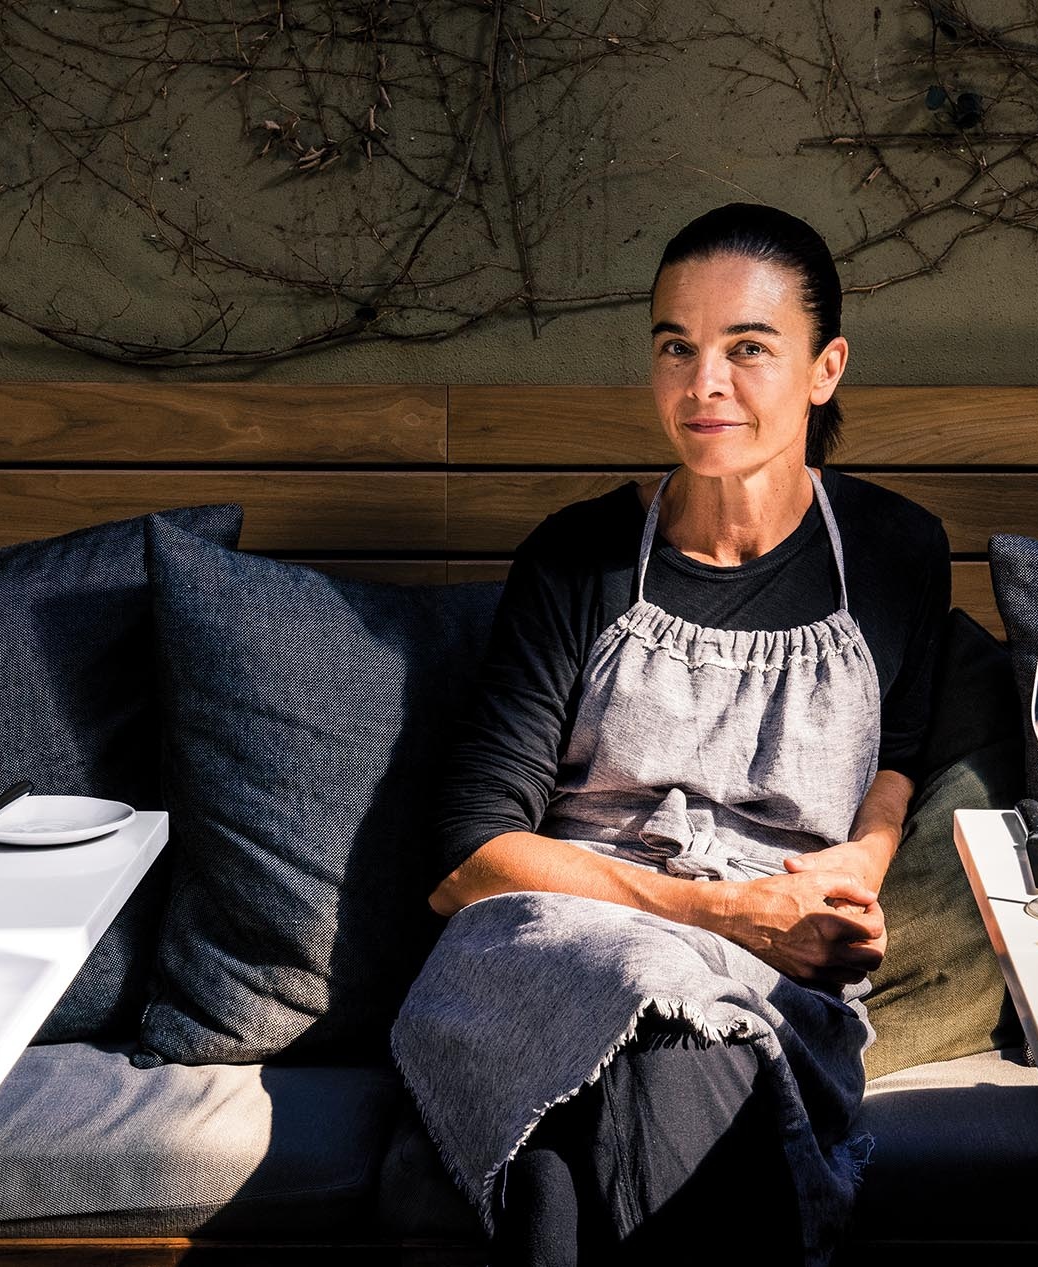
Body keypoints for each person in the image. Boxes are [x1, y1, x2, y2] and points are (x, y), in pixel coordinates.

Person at [391, 203, 951, 1266]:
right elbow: (468, 861)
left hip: (769, 964)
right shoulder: (578, 559)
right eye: (674, 347)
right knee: (667, 1031)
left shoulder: (893, 549)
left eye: (747, 348)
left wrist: (855, 868)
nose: (703, 385)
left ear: (825, 368)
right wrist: (724, 912)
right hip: (553, 934)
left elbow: (900, 751)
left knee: (583, 1143)